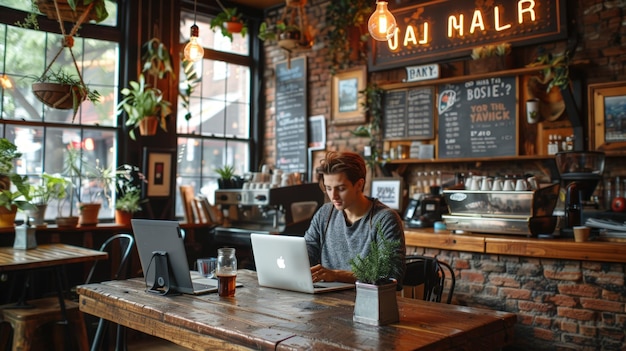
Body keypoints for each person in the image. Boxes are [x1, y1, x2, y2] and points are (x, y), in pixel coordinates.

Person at [304, 151, 406, 287]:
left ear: (359, 185)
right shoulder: (324, 214)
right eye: (328, 188)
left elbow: (391, 275)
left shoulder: (385, 219)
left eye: (340, 188)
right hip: (326, 299)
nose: (333, 196)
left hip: (367, 301)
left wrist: (336, 275)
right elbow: (306, 253)